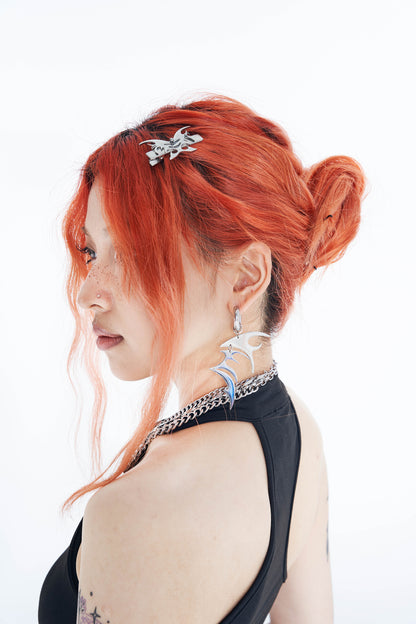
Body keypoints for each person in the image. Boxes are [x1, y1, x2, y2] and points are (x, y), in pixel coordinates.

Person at [38, 93, 366, 624]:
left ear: (245, 277)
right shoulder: (298, 431)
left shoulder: (141, 511)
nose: (87, 294)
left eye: (133, 254)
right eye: (93, 252)